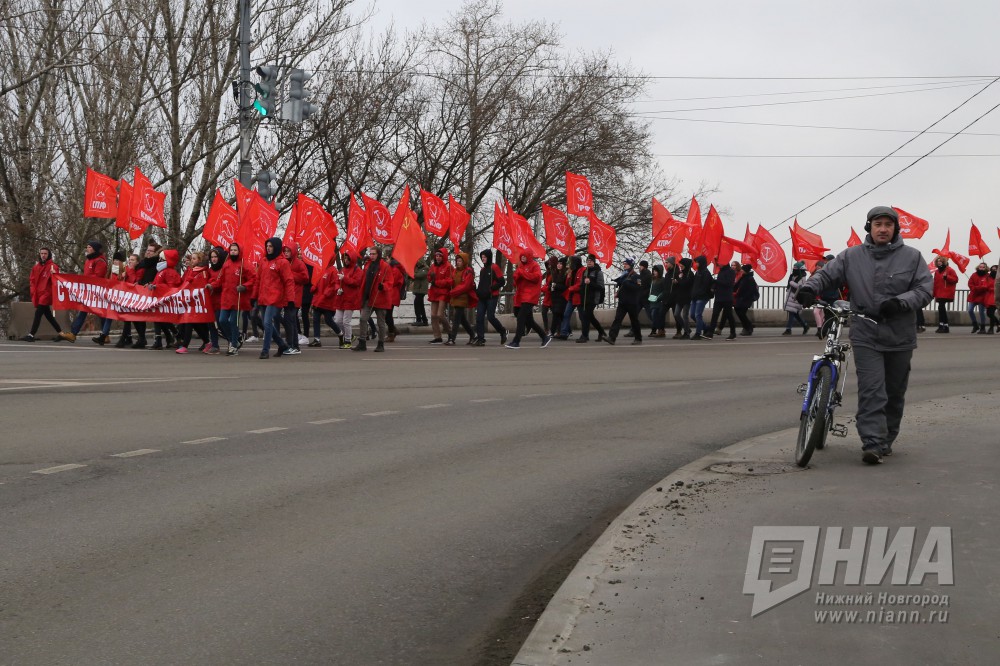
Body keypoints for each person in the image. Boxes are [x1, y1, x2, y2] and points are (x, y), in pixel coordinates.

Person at [797, 206, 932, 464]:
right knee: (872, 389)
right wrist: (809, 288)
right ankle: (872, 443)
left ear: (896, 229)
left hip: (900, 336)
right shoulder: (851, 256)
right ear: (869, 227)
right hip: (865, 334)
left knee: (894, 392)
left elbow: (924, 289)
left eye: (888, 225)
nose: (883, 229)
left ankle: (886, 439)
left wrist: (900, 302)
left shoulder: (913, 257)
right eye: (878, 224)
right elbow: (826, 274)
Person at [210, 242, 255, 356]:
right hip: (226, 298)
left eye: (235, 250)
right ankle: (233, 339)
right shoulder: (226, 264)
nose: (233, 252)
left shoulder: (244, 264)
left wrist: (244, 286)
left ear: (239, 251)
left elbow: (253, 278)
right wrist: (212, 285)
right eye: (231, 250)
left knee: (233, 322)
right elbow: (220, 280)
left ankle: (234, 346)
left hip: (237, 299)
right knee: (222, 321)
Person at [253, 237, 295, 359]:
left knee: (267, 323)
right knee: (266, 324)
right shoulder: (263, 261)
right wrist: (253, 296)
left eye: (271, 246)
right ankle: (282, 345)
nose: (268, 248)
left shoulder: (283, 263)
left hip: (275, 298)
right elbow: (258, 280)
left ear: (276, 247)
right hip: (263, 297)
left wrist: (290, 299)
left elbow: (289, 281)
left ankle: (265, 350)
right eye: (267, 246)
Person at [58, 240, 108, 342]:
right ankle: (74, 333)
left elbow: (98, 277)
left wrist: (84, 280)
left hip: (97, 291)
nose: (87, 249)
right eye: (87, 247)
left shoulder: (100, 261)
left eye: (89, 247)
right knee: (86, 311)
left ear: (94, 249)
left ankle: (104, 334)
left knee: (101, 313)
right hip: (88, 290)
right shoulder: (88, 260)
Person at [505, 252, 551, 349]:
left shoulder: (535, 265)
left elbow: (536, 277)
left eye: (525, 256)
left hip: (530, 295)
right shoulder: (520, 266)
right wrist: (516, 276)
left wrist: (522, 273)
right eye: (521, 256)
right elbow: (516, 282)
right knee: (528, 320)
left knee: (521, 317)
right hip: (522, 295)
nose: (523, 258)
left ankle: (516, 341)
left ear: (529, 257)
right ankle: (544, 337)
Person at [354, 246, 393, 352]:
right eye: (370, 254)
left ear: (378, 254)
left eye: (373, 254)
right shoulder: (367, 265)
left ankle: (381, 343)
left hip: (380, 298)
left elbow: (390, 282)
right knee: (363, 319)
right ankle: (362, 342)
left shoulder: (385, 266)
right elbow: (363, 280)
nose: (371, 256)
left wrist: (383, 286)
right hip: (368, 298)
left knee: (381, 323)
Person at [21, 247, 63, 342]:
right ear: (39, 254)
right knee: (48, 316)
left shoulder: (52, 266)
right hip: (39, 294)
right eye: (42, 253)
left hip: (46, 294)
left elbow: (57, 280)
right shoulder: (36, 267)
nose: (43, 255)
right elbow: (32, 280)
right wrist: (33, 291)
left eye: (45, 253)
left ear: (49, 255)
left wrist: (55, 274)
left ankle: (31, 334)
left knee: (38, 313)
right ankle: (61, 333)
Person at [147, 249, 182, 349]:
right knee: (160, 319)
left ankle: (164, 338)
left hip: (165, 299)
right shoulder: (161, 272)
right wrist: (151, 285)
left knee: (162, 319)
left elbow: (172, 287)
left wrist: (157, 287)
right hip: (160, 298)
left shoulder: (169, 272)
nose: (159, 260)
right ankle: (174, 335)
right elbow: (157, 283)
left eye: (161, 259)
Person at [474, 249, 507, 346]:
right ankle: (481, 338)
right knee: (479, 317)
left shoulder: (494, 267)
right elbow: (481, 283)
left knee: (490, 317)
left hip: (492, 296)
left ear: (489, 257)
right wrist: (478, 291)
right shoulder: (482, 270)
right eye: (482, 257)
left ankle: (502, 331)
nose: (483, 259)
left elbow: (502, 281)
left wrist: (492, 288)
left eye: (484, 257)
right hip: (482, 297)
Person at [606, 258, 642, 345]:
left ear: (631, 265)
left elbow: (638, 287)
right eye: (624, 264)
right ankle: (612, 337)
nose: (624, 265)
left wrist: (627, 283)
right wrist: (618, 292)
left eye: (626, 264)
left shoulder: (636, 276)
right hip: (622, 302)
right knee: (617, 319)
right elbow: (622, 287)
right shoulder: (624, 275)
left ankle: (638, 338)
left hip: (632, 303)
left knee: (634, 321)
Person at [309, 255, 343, 348]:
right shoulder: (321, 269)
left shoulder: (333, 270)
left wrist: (324, 295)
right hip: (319, 299)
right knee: (316, 319)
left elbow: (333, 285)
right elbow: (317, 281)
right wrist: (314, 287)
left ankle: (340, 334)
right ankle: (317, 339)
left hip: (327, 301)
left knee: (328, 320)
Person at [446, 251, 477, 345]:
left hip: (463, 296)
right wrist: (449, 282)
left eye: (460, 261)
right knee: (462, 319)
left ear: (464, 262)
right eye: (457, 261)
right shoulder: (455, 271)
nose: (458, 262)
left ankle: (452, 338)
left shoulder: (468, 271)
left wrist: (454, 292)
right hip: (456, 297)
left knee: (456, 318)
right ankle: (472, 335)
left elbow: (465, 286)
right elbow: (453, 281)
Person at [282, 242, 309, 352]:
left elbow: (305, 278)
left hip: (295, 296)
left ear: (293, 251)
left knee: (290, 320)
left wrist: (291, 274)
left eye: (288, 251)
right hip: (286, 296)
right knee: (289, 321)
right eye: (285, 251)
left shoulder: (299, 263)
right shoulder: (284, 263)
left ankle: (292, 345)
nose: (286, 253)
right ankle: (294, 345)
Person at [335, 252, 363, 349]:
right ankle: (350, 336)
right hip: (341, 298)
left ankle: (347, 341)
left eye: (348, 258)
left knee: (346, 321)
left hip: (350, 298)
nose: (345, 260)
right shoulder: (342, 269)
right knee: (338, 321)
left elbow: (356, 282)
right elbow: (337, 281)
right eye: (344, 258)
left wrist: (345, 278)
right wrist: (337, 288)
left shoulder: (357, 270)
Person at [577, 254, 607, 343]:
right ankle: (601, 331)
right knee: (589, 316)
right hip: (584, 298)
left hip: (593, 298)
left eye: (591, 261)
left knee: (586, 316)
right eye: (587, 261)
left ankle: (584, 336)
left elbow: (601, 287)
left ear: (594, 262)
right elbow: (582, 284)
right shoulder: (585, 272)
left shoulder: (598, 272)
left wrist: (590, 283)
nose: (589, 262)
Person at [708, 259, 738, 340]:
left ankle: (733, 333)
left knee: (729, 315)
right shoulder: (720, 271)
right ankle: (710, 333)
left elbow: (728, 283)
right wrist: (713, 286)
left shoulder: (731, 272)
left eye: (719, 263)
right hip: (718, 297)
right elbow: (718, 282)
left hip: (727, 297)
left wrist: (716, 281)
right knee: (715, 314)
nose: (718, 264)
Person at [557, 255, 584, 339]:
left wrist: (572, 288)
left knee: (582, 316)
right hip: (571, 297)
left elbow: (580, 284)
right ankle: (564, 333)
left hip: (579, 296)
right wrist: (568, 278)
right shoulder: (571, 271)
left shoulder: (583, 270)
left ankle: (584, 334)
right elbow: (567, 284)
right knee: (566, 314)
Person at [931, 256, 958, 333]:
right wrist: (933, 293)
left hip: (946, 292)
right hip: (939, 292)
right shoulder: (937, 272)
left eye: (940, 261)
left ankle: (943, 325)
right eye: (938, 261)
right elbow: (935, 283)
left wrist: (947, 277)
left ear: (943, 262)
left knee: (941, 307)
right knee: (941, 308)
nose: (939, 262)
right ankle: (944, 325)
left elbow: (955, 279)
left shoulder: (950, 270)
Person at [782, 261, 810, 336]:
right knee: (795, 314)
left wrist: (791, 283)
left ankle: (788, 329)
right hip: (790, 297)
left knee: (792, 313)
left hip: (796, 297)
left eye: (795, 269)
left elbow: (800, 286)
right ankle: (805, 325)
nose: (794, 270)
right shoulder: (792, 276)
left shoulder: (803, 277)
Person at [733, 263, 759, 336]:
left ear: (745, 271)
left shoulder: (750, 279)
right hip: (740, 298)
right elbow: (737, 286)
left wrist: (742, 295)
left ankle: (748, 327)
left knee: (742, 314)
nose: (741, 271)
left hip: (746, 299)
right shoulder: (743, 277)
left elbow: (750, 290)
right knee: (738, 312)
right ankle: (748, 326)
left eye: (742, 270)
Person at [671, 257, 693, 339]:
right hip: (679, 297)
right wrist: (675, 282)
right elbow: (679, 284)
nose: (680, 265)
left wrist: (679, 280)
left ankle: (686, 333)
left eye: (682, 264)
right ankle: (687, 328)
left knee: (685, 315)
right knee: (676, 314)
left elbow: (685, 284)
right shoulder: (681, 273)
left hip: (687, 297)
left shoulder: (690, 274)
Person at [385, 257, 406, 342]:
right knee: (387, 315)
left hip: (392, 294)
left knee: (388, 315)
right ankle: (393, 330)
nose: (385, 260)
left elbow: (391, 282)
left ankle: (391, 333)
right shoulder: (391, 268)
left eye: (387, 259)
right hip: (390, 294)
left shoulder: (395, 270)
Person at [967, 262, 990, 334]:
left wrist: (978, 288)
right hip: (974, 295)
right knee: (970, 310)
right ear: (978, 267)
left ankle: (982, 327)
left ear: (985, 268)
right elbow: (970, 284)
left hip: (982, 296)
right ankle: (975, 325)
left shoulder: (987, 276)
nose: (981, 268)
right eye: (980, 267)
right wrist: (977, 288)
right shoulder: (974, 275)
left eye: (983, 267)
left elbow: (987, 286)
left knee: (981, 312)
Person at [548, 256, 568, 337]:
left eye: (561, 264)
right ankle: (565, 331)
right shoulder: (555, 273)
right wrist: (551, 287)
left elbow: (565, 286)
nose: (559, 265)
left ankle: (553, 331)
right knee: (558, 315)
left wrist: (556, 286)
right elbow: (550, 284)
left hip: (562, 297)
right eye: (558, 263)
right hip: (555, 297)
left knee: (557, 314)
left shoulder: (565, 274)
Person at [647, 265, 667, 337]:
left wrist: (659, 297)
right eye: (654, 271)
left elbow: (664, 290)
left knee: (655, 315)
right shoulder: (653, 280)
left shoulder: (663, 280)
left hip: (659, 301)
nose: (654, 272)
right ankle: (660, 329)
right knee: (652, 315)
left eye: (656, 271)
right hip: (652, 300)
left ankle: (660, 330)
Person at [409, 257, 429, 326]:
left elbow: (419, 275)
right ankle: (424, 320)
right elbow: (413, 277)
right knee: (420, 305)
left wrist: (412, 273)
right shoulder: (417, 268)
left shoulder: (425, 268)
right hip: (418, 289)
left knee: (417, 303)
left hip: (421, 290)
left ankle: (419, 319)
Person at [986, 265, 998, 334]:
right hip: (989, 297)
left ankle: (991, 328)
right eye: (992, 269)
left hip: (996, 297)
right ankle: (997, 324)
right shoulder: (989, 277)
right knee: (989, 313)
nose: (993, 271)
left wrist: (991, 289)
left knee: (991, 313)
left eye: (995, 269)